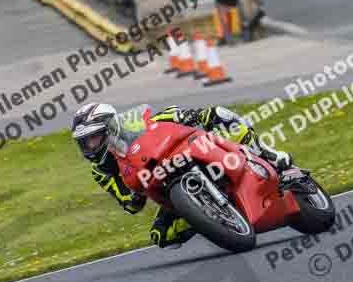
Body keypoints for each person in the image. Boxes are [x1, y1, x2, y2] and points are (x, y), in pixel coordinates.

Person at [71, 103, 292, 249]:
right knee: (161, 235)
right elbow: (128, 203)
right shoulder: (101, 169)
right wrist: (135, 194)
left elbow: (161, 119)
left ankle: (265, 153)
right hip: (161, 184)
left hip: (179, 152)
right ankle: (208, 217)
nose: (89, 147)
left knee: (217, 114)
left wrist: (187, 117)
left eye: (93, 138)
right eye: (84, 142)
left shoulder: (133, 125)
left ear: (109, 127)